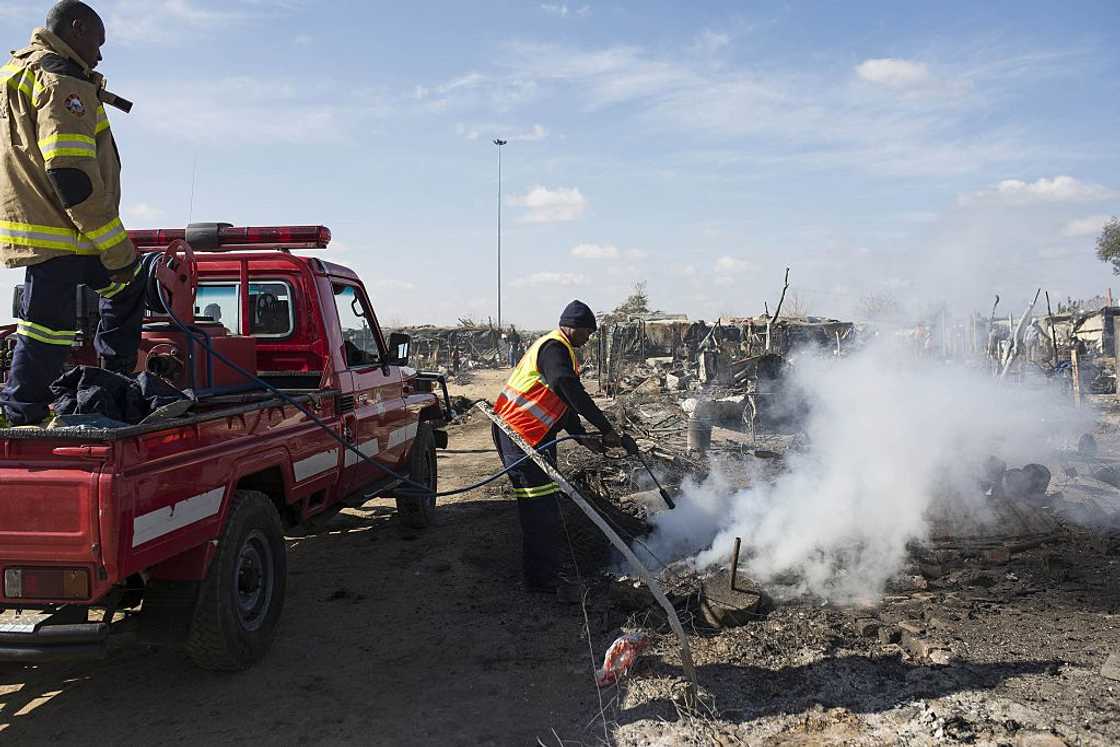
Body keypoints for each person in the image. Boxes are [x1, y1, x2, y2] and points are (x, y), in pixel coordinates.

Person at [0, 2, 142, 427]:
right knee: (53, 325)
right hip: (67, 229)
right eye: (97, 43)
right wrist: (116, 247)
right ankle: (29, 413)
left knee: (111, 294)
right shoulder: (63, 80)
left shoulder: (15, 73)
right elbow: (71, 174)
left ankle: (96, 391)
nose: (99, 56)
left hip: (37, 222)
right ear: (76, 28)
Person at [491, 300, 625, 594]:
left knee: (546, 505)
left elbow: (561, 403)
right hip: (519, 434)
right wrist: (605, 427)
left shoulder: (560, 350)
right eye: (587, 332)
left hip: (535, 436)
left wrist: (581, 436)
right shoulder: (554, 348)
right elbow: (565, 386)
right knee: (539, 508)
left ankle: (546, 572)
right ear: (574, 327)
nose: (588, 338)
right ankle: (542, 581)